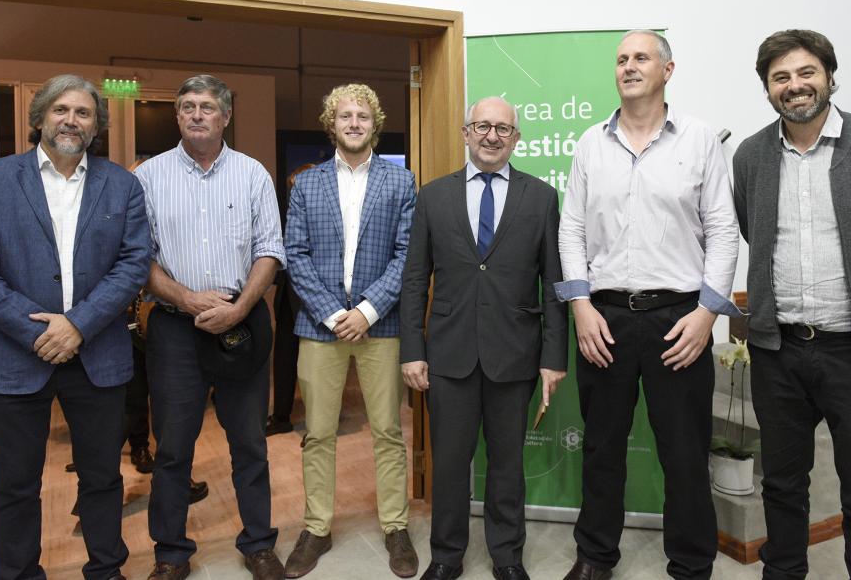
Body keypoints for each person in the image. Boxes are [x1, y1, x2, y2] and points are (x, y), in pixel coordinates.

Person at [556, 30, 740, 580]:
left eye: (641, 58)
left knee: (684, 454)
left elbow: (724, 231)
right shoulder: (591, 143)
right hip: (603, 318)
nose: (629, 66)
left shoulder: (700, 139)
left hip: (679, 319)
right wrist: (580, 306)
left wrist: (707, 314)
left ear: (667, 69)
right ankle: (595, 558)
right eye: (621, 59)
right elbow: (571, 231)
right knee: (602, 449)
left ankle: (690, 565)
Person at [733, 29, 851, 580]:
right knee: (783, 486)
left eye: (806, 72)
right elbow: (752, 231)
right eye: (780, 77)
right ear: (767, 89)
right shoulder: (750, 157)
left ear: (830, 76)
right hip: (778, 351)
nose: (795, 86)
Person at [0, 74, 150, 580]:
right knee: (15, 484)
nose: (72, 120)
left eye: (84, 113)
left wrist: (78, 326)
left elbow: (134, 264)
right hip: (13, 355)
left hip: (96, 353)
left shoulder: (122, 184)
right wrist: (39, 332)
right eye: (61, 110)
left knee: (101, 477)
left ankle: (106, 570)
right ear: (40, 118)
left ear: (97, 125)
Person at [400, 96, 568, 580]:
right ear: (465, 133)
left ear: (516, 138)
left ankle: (507, 557)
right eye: (481, 126)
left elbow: (554, 284)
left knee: (507, 465)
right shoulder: (433, 196)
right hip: (448, 354)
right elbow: (415, 279)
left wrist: (553, 356)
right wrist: (413, 350)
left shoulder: (540, 198)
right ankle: (447, 556)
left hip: (514, 354)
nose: (492, 136)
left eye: (503, 129)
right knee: (450, 466)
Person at [134, 74, 285, 580]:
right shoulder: (148, 176)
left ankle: (259, 544)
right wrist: (185, 297)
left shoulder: (253, 175)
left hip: (240, 323)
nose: (197, 114)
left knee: (249, 442)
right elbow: (140, 257)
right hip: (176, 327)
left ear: (225, 117)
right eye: (188, 107)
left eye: (207, 107)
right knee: (173, 447)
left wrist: (241, 306)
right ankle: (171, 553)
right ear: (177, 116)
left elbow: (270, 249)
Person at [284, 83, 418, 578]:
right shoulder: (306, 184)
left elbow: (407, 255)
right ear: (331, 123)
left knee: (387, 430)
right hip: (320, 328)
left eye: (363, 115)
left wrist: (366, 309)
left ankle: (395, 526)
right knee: (317, 433)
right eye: (346, 115)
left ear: (375, 123)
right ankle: (317, 528)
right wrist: (330, 312)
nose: (355, 122)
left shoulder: (401, 183)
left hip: (381, 326)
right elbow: (293, 254)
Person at [266, 163, 317, 437]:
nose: (295, 192)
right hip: (287, 299)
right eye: (292, 187)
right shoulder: (291, 216)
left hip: (313, 303)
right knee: (284, 361)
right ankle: (281, 417)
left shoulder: (328, 219)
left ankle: (317, 425)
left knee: (314, 367)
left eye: (299, 186)